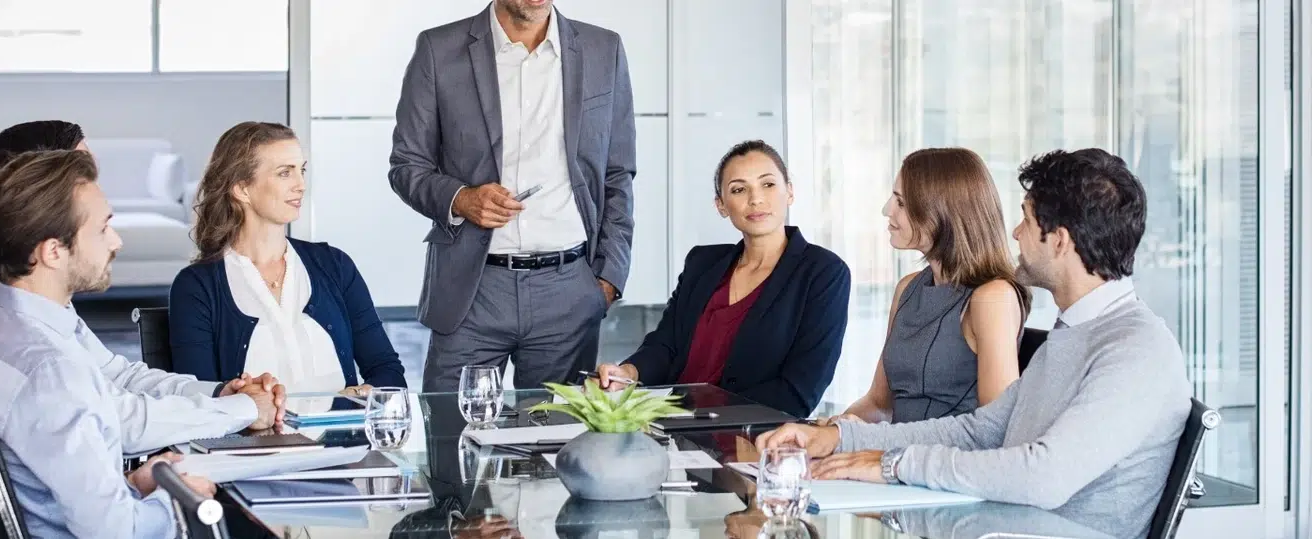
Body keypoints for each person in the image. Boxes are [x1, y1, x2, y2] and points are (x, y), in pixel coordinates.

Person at [755, 149, 1192, 539]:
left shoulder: (1136, 348)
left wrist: (892, 465)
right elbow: (980, 429)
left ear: (1058, 240)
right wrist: (841, 440)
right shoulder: (1074, 332)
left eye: (1026, 219)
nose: (1015, 233)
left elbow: (1045, 476)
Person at [0, 150, 285, 537]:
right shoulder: (50, 370)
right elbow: (118, 532)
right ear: (52, 251)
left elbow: (93, 434)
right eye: (102, 228)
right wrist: (180, 498)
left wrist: (136, 484)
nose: (116, 242)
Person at [390, 0, 637, 392]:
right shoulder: (439, 49)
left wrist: (609, 276)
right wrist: (461, 198)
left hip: (569, 290)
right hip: (472, 290)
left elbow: (618, 172)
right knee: (451, 437)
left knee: (555, 444)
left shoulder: (603, 48)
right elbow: (407, 166)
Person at [590, 141, 850, 416]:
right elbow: (666, 345)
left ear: (790, 192)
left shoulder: (823, 272)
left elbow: (799, 391)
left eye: (768, 184)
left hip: (751, 440)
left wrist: (702, 416)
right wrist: (626, 373)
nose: (756, 199)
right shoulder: (702, 263)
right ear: (721, 205)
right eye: (739, 189)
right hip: (673, 430)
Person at [169, 122, 408, 394]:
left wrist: (349, 398)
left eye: (301, 170)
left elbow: (389, 374)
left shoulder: (334, 265)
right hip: (254, 438)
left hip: (340, 437)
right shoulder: (197, 286)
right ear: (242, 189)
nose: (301, 185)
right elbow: (197, 398)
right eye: (285, 173)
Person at [832, 148, 1029, 424]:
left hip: (943, 463)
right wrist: (827, 431)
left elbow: (994, 427)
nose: (887, 210)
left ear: (942, 212)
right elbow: (879, 405)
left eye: (901, 203)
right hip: (891, 457)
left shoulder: (992, 298)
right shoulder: (908, 289)